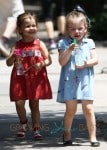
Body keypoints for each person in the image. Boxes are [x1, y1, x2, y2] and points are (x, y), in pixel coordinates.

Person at [57, 10, 100, 147]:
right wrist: (69, 50)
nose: (77, 32)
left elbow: (96, 59)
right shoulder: (64, 43)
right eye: (72, 29)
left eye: (80, 28)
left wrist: (87, 63)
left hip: (85, 81)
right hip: (69, 81)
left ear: (85, 28)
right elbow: (62, 62)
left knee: (88, 109)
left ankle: (93, 137)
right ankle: (67, 134)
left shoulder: (89, 42)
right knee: (71, 110)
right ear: (67, 29)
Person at [6, 12, 52, 140]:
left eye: (34, 25)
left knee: (34, 105)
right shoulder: (16, 45)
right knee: (19, 103)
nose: (32, 28)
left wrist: (42, 63)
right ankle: (23, 123)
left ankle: (36, 129)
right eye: (27, 26)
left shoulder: (39, 44)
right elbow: (8, 63)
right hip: (19, 79)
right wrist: (13, 56)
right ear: (19, 29)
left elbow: (49, 60)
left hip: (35, 79)